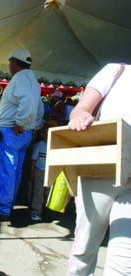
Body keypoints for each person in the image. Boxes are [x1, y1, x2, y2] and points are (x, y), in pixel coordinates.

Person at [67, 63, 131, 275]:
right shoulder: (117, 70)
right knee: (84, 248)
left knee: (124, 258)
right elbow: (80, 109)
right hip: (99, 172)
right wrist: (80, 116)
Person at [0, 47, 42, 219]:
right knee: (15, 169)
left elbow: (26, 101)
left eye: (10, 62)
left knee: (7, 169)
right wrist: (33, 125)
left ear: (14, 62)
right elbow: (38, 106)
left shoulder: (20, 78)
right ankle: (8, 203)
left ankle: (2, 207)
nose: (9, 65)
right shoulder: (32, 80)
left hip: (13, 130)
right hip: (24, 132)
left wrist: (20, 122)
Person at [29, 124, 49, 221]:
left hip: (49, 172)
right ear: (43, 135)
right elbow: (34, 160)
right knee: (38, 193)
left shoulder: (54, 146)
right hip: (40, 170)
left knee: (47, 193)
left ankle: (43, 211)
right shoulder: (40, 145)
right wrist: (32, 173)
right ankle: (35, 212)